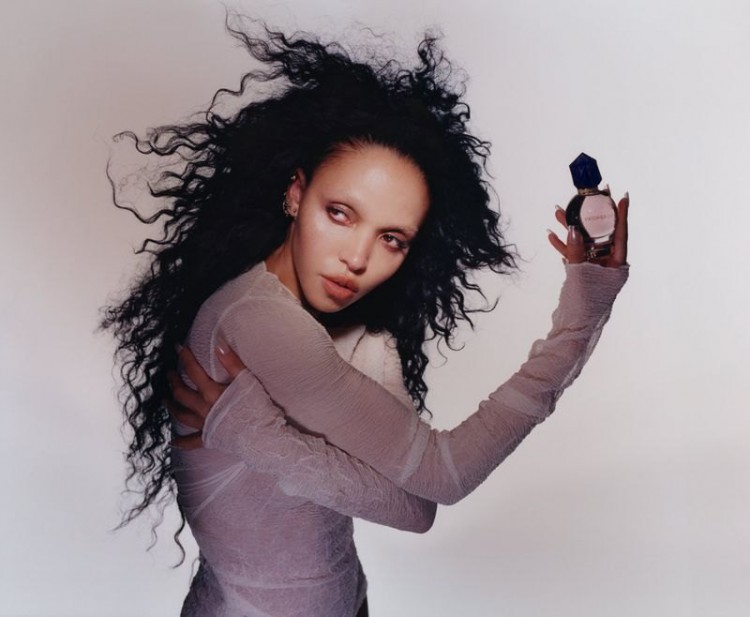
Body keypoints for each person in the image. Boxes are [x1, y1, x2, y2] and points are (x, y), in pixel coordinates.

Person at [103, 20, 629, 617]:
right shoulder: (257, 320)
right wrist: (581, 317)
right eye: (340, 213)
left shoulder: (344, 335)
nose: (357, 258)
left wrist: (270, 441)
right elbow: (445, 475)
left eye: (392, 239)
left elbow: (418, 508)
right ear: (296, 194)